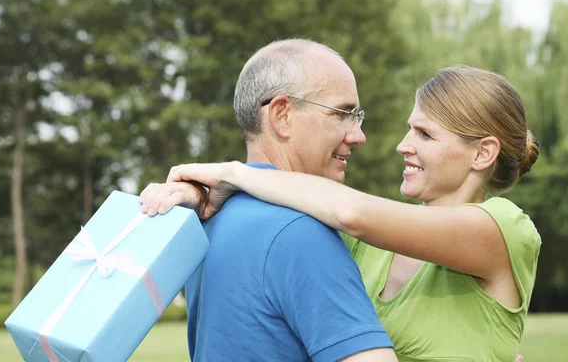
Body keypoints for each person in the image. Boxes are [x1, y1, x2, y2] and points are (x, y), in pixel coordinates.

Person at [144, 66, 540, 361]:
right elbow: (291, 208)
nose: (402, 145)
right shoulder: (366, 248)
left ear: (482, 153)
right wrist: (196, 194)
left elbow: (349, 210)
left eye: (425, 134)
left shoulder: (504, 229)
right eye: (409, 130)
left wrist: (233, 173)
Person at [142, 39, 397, 361]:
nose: (358, 136)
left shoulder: (210, 221)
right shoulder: (300, 233)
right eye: (342, 114)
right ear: (282, 115)